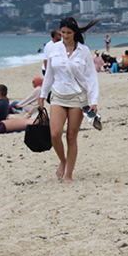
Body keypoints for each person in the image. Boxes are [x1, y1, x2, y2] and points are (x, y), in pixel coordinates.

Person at [39, 17, 100, 184]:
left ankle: (69, 174)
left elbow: (91, 77)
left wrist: (93, 100)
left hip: (78, 97)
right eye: (62, 32)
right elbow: (49, 74)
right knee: (55, 133)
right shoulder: (53, 49)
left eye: (68, 33)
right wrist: (42, 96)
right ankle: (62, 160)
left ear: (75, 33)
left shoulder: (84, 51)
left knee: (71, 137)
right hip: (58, 94)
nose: (65, 36)